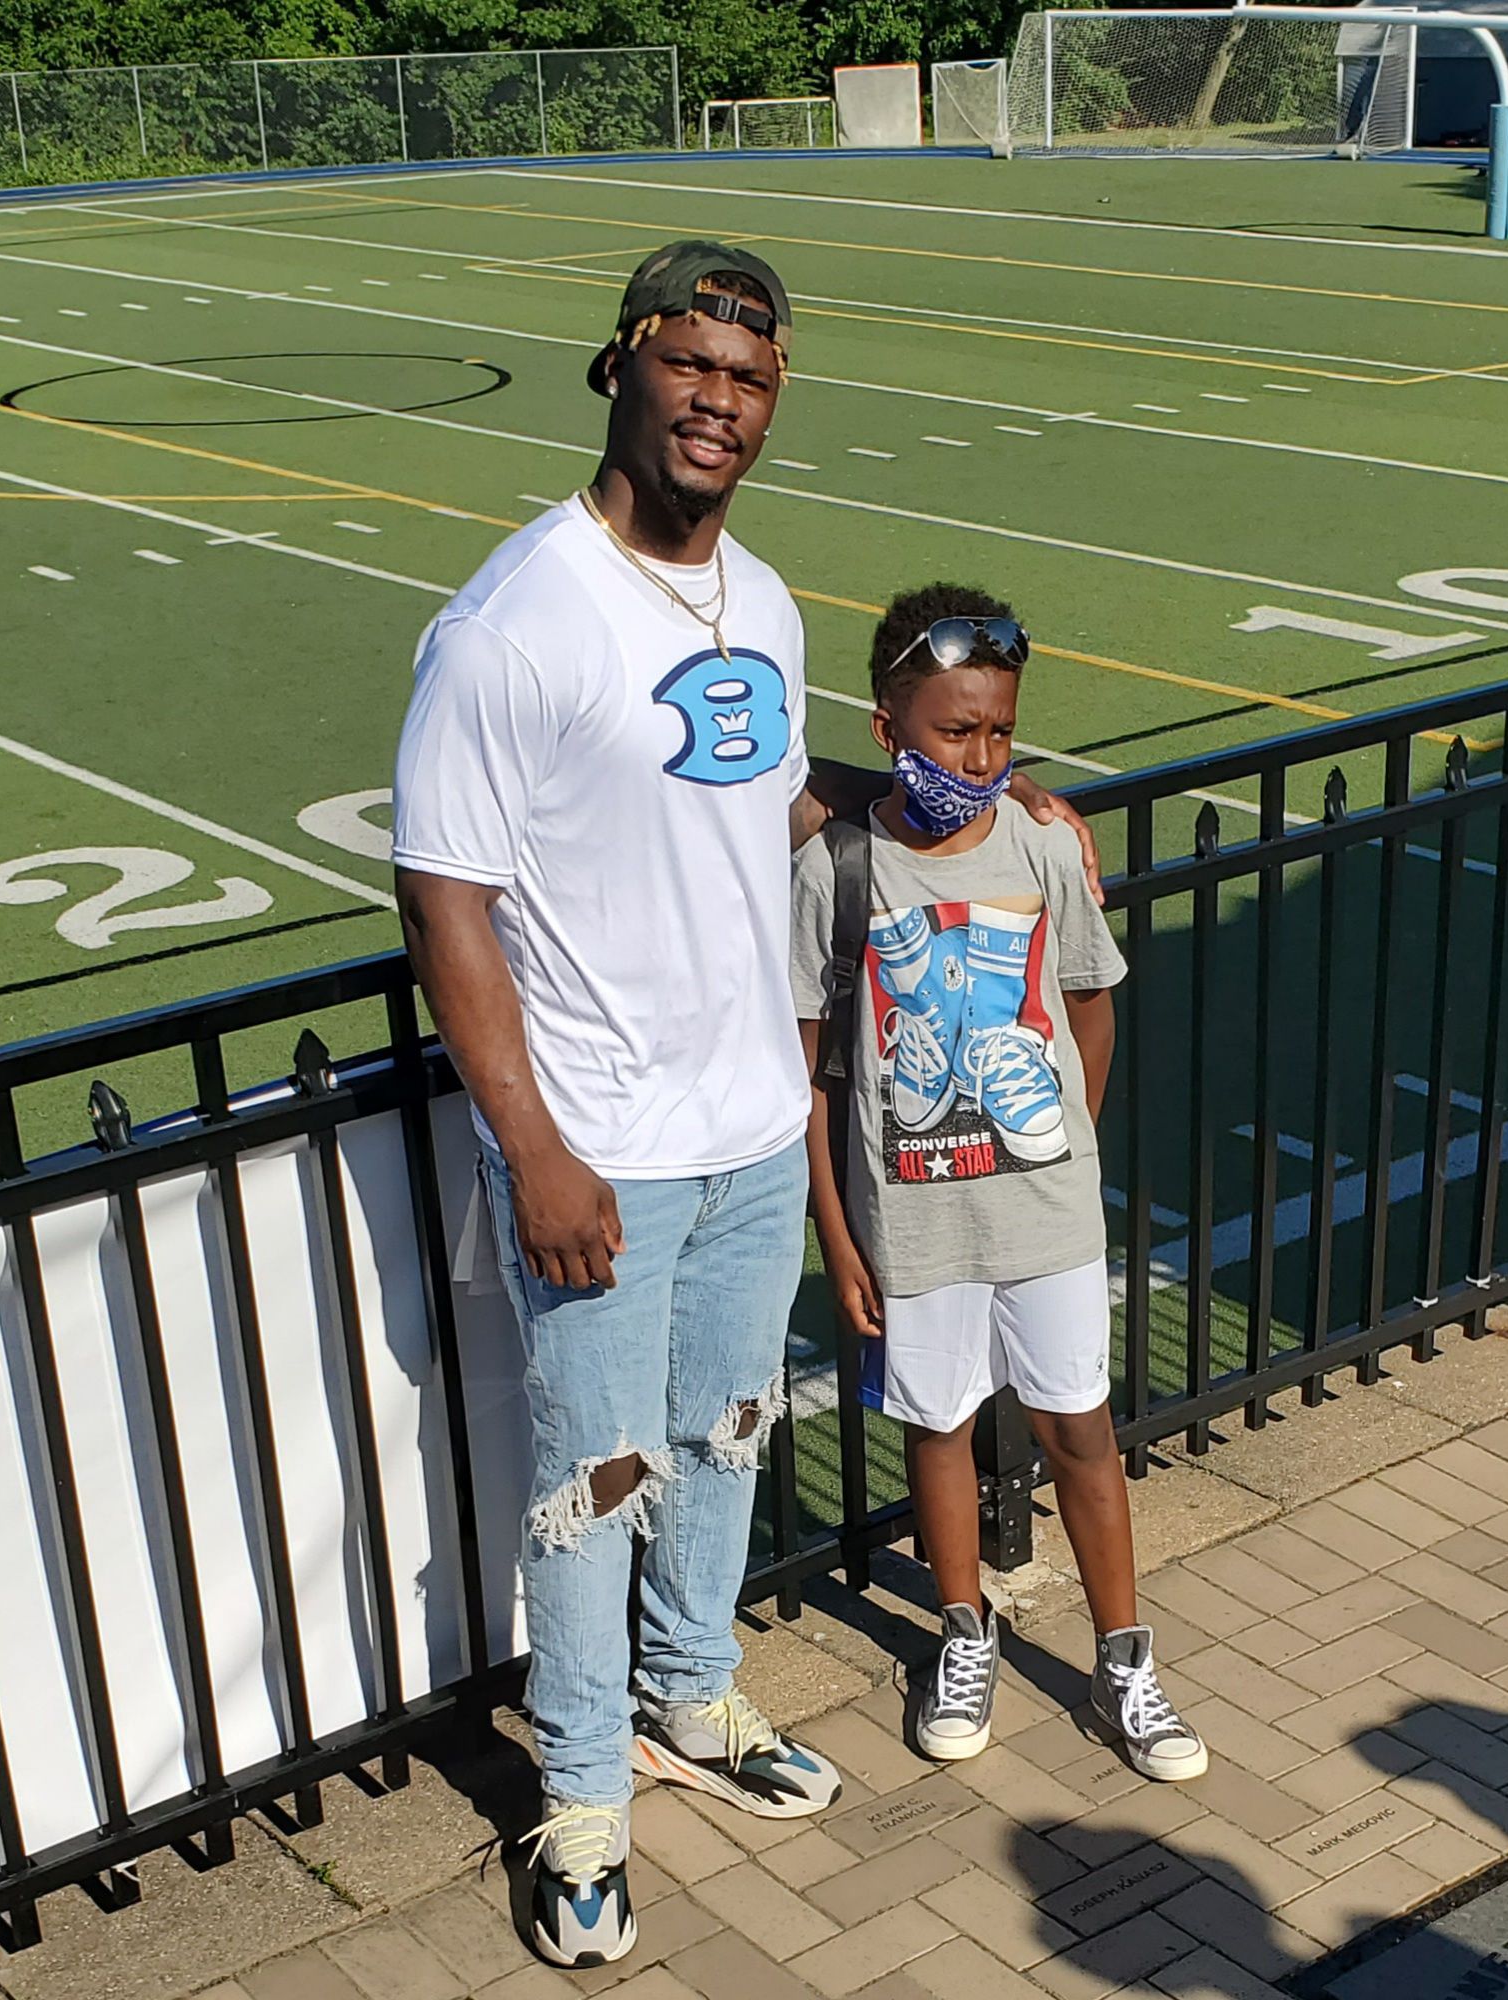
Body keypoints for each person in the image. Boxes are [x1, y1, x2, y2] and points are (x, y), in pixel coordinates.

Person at [390, 246, 1097, 1971]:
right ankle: (575, 1791)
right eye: (688, 365)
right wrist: (536, 1145)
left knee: (723, 1437)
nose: (717, 401)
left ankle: (689, 1696)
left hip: (743, 1130)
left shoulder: (763, 602)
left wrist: (950, 804)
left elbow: (774, 787)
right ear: (620, 370)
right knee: (591, 1479)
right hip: (601, 1152)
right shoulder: (513, 617)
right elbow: (443, 897)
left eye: (750, 377)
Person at [791, 583, 1208, 1786]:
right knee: (941, 1426)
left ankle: (1122, 1652)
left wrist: (1064, 1150)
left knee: (1080, 1425)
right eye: (950, 732)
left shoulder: (1039, 846)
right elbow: (815, 1068)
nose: (976, 758)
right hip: (909, 1217)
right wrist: (838, 1225)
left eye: (997, 734)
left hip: (1044, 1212)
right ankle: (962, 1629)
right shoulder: (839, 868)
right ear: (885, 728)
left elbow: (1089, 1008)